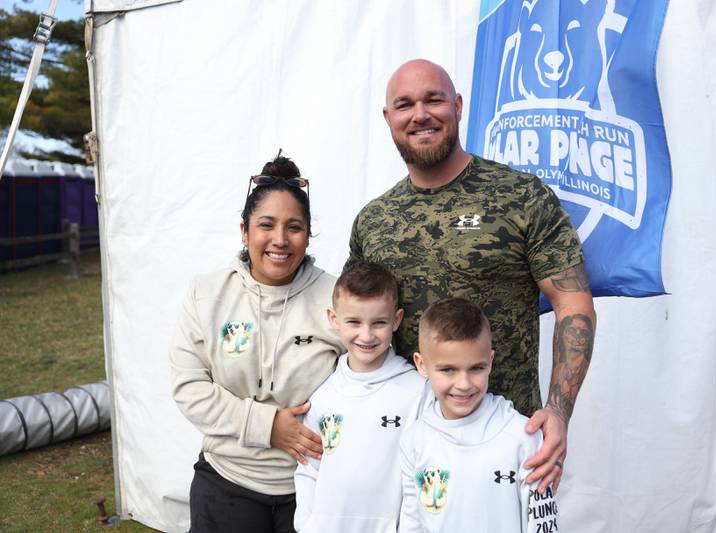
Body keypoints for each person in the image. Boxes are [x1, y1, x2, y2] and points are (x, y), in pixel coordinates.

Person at [348, 59, 596, 492]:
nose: (420, 114)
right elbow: (354, 324)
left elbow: (572, 303)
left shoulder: (521, 196)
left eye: (434, 99)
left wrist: (559, 411)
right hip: (408, 449)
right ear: (388, 118)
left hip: (509, 446)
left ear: (458, 106)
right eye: (404, 105)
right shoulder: (373, 221)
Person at [169, 153, 345, 533]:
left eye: (294, 227)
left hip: (313, 488)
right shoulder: (206, 294)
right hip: (227, 484)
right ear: (245, 231)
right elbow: (189, 388)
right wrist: (267, 426)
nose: (280, 240)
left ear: (308, 233)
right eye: (266, 225)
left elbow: (366, 379)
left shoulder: (337, 298)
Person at [398, 298, 559, 532]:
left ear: (490, 362)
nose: (463, 384)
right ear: (421, 365)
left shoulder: (523, 437)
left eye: (476, 368)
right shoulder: (414, 440)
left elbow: (543, 525)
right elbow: (412, 524)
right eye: (448, 370)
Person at [294, 261, 429, 533]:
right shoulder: (323, 393)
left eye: (378, 323)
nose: (366, 335)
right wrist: (307, 526)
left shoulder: (418, 391)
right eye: (354, 322)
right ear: (334, 319)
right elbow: (309, 468)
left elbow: (422, 474)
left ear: (396, 320)